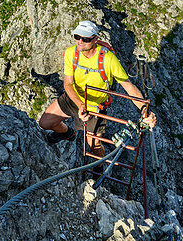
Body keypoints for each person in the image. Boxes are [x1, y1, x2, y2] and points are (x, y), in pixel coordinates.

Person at [38, 20, 156, 155]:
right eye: (77, 37)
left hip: (95, 106)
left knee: (93, 145)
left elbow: (128, 86)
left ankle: (98, 170)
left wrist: (143, 108)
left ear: (95, 39)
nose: (80, 41)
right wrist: (80, 104)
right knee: (45, 123)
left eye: (85, 38)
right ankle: (67, 133)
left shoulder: (108, 59)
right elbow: (68, 84)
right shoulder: (71, 53)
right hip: (74, 98)